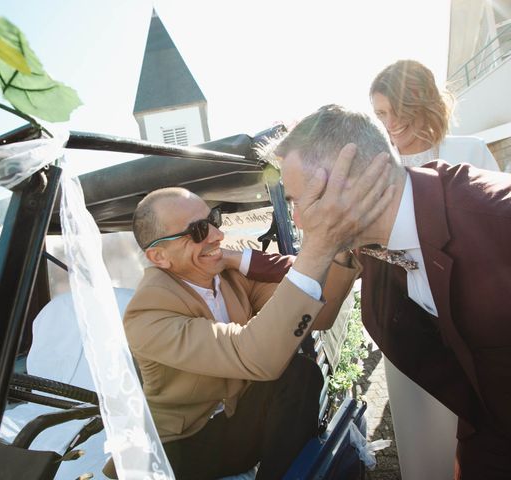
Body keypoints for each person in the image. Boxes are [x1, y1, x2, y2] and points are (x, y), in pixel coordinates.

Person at [261, 104, 511, 479]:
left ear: (347, 181)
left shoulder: (498, 221)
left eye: (298, 200)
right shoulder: (371, 244)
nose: (295, 219)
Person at [121, 149, 394, 480]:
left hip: (236, 420)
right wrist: (318, 245)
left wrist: (340, 251)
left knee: (301, 374)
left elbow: (315, 315)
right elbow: (252, 354)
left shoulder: (228, 278)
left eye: (214, 219)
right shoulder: (146, 316)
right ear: (159, 257)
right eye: (197, 231)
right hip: (186, 447)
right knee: (288, 371)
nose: (217, 235)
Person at [370, 58, 503, 479]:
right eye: (378, 116)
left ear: (416, 103)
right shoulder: (379, 172)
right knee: (422, 438)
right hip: (410, 321)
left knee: (484, 419)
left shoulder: (472, 151)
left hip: (472, 314)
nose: (386, 125)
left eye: (389, 111)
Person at [370, 59, 499, 171]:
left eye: (399, 109)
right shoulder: (374, 169)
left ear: (424, 102)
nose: (390, 123)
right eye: (381, 113)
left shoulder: (472, 151)